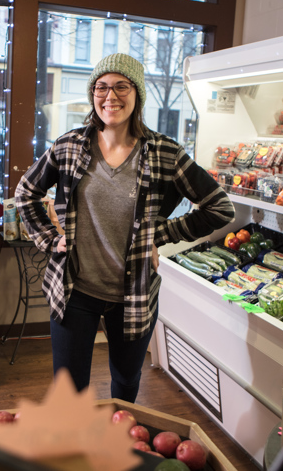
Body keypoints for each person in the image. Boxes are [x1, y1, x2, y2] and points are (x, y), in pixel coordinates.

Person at [15, 53, 235, 403]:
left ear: (138, 95)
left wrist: (160, 235)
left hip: (133, 293)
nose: (110, 96)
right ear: (92, 94)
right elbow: (26, 192)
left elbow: (220, 208)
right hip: (75, 289)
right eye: (101, 87)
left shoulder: (165, 153)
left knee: (126, 385)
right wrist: (48, 238)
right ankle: (72, 454)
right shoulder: (70, 146)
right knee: (69, 393)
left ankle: (119, 446)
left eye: (121, 86)